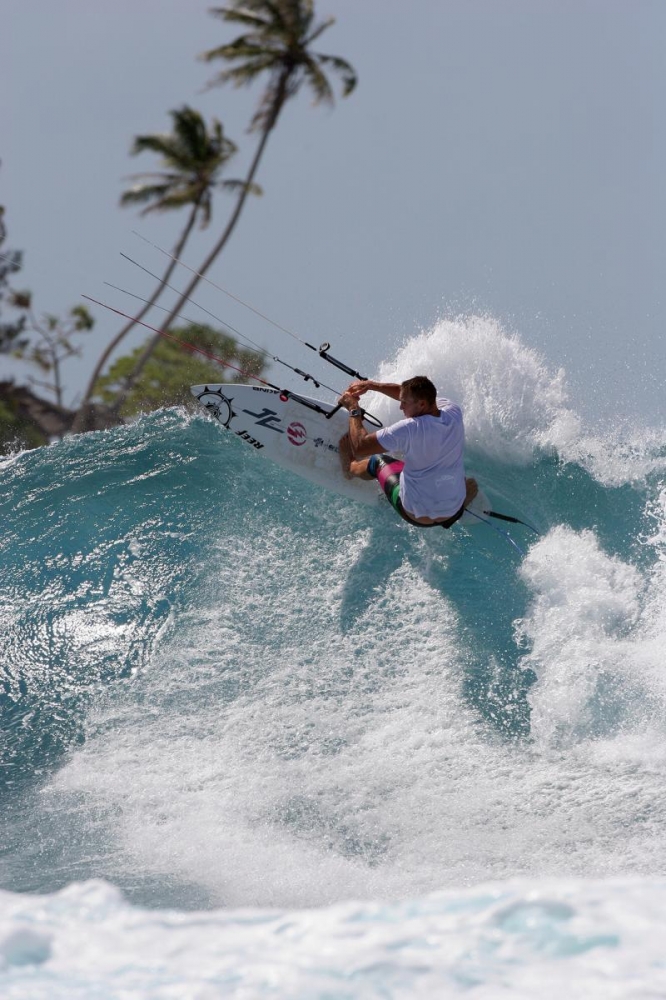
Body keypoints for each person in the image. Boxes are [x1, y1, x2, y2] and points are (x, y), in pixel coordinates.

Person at [338, 375, 477, 528]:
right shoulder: (453, 412)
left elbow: (361, 446)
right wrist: (372, 385)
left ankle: (349, 468)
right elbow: (405, 393)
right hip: (452, 509)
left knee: (377, 460)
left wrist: (353, 408)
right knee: (471, 484)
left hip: (416, 514)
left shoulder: (410, 429)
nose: (400, 406)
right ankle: (451, 516)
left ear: (422, 404)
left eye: (404, 403)